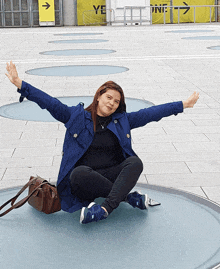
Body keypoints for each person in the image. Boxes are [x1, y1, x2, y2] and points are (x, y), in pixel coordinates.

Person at [5, 61, 199, 225]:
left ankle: (104, 209)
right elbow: (50, 103)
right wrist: (21, 84)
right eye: (108, 97)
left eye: (116, 101)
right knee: (78, 173)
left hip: (111, 174)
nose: (111, 103)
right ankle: (126, 197)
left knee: (135, 162)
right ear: (98, 96)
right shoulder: (77, 117)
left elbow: (150, 114)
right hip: (85, 179)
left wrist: (182, 104)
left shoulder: (122, 120)